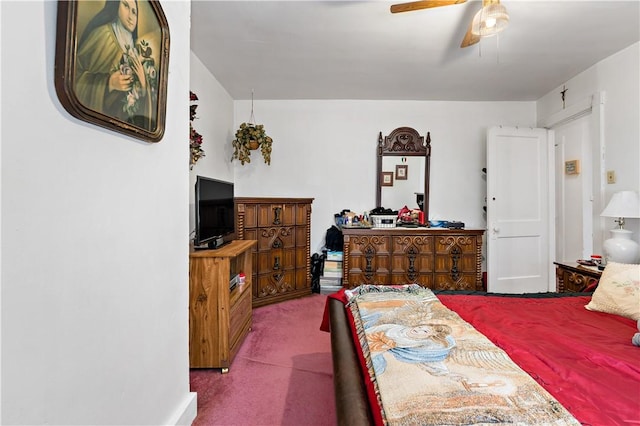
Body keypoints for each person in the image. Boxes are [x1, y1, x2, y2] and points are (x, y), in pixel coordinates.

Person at [75, 0, 157, 130]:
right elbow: (74, 76)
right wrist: (109, 83)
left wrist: (143, 83)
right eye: (125, 6)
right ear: (115, 5)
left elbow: (146, 113)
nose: (131, 16)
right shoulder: (102, 35)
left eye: (134, 12)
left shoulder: (136, 51)